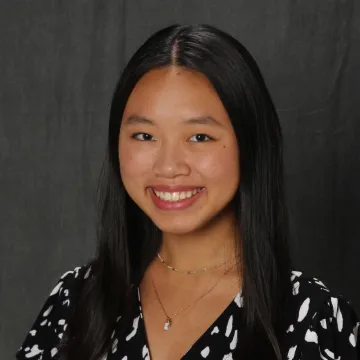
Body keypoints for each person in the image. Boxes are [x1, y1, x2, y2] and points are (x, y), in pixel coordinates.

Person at [16, 24, 359, 360]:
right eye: (144, 136)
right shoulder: (76, 299)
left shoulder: (312, 316)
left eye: (199, 137)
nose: (168, 167)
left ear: (250, 143)